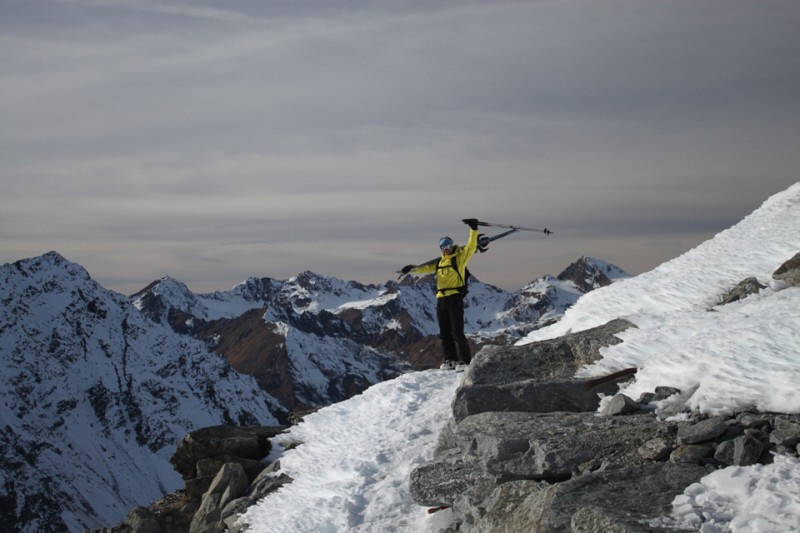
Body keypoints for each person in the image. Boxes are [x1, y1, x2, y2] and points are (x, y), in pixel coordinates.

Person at [401, 218, 480, 371]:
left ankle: (464, 361)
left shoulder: (460, 258)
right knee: (445, 332)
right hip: (441, 299)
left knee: (457, 331)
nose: (446, 248)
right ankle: (450, 360)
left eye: (448, 245)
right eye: (443, 246)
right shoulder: (439, 263)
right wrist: (411, 269)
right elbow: (424, 269)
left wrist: (473, 229)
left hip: (455, 297)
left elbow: (471, 246)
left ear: (452, 245)